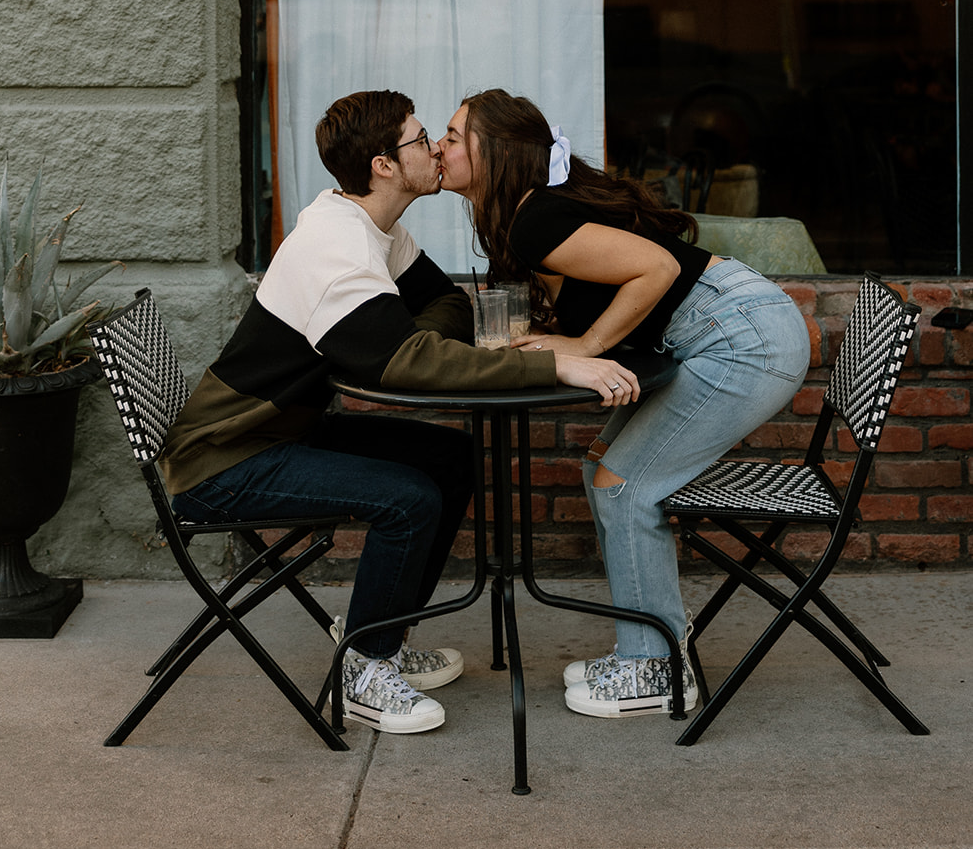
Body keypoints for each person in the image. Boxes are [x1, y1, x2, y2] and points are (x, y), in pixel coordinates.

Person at [160, 89, 628, 736]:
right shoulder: (335, 250)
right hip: (224, 458)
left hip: (283, 431)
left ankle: (380, 629)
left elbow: (445, 310)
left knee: (448, 459)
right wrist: (554, 363)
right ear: (383, 164)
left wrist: (409, 339)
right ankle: (365, 668)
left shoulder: (375, 229)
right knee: (408, 497)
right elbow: (410, 362)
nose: (435, 146)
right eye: (419, 138)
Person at [438, 88, 811, 720]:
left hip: (742, 338)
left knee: (624, 484)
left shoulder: (535, 217)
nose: (440, 148)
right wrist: (568, 335)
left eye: (452, 136)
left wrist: (585, 343)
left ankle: (656, 669)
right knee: (603, 465)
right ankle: (649, 639)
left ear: (492, 151)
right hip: (738, 322)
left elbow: (657, 268)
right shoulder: (532, 213)